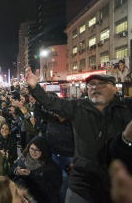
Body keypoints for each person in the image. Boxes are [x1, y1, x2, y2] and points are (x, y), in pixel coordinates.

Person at [25, 67, 132, 203]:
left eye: (101, 84)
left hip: (116, 185)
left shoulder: (125, 109)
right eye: (91, 84)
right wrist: (35, 86)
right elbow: (50, 102)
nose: (95, 87)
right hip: (82, 185)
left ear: (114, 88)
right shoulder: (78, 107)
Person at [9, 136, 62, 203]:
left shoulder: (52, 169)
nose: (33, 152)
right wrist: (17, 171)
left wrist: (32, 175)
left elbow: (51, 191)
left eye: (37, 150)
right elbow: (10, 173)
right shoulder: (23, 158)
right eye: (31, 148)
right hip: (20, 194)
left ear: (43, 151)